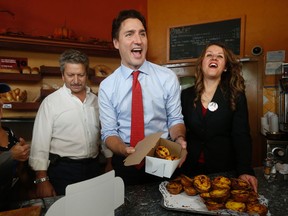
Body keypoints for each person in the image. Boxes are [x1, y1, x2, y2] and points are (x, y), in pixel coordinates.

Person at [98, 9, 187, 185]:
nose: (138, 40)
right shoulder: (107, 87)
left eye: (142, 34)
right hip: (125, 163)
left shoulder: (167, 77)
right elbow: (109, 133)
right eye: (129, 34)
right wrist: (123, 149)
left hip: (162, 159)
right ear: (116, 42)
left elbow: (175, 119)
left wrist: (179, 139)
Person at [180, 42, 258, 192]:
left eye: (219, 56)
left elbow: (241, 135)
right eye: (209, 55)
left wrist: (245, 170)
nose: (213, 58)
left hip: (223, 170)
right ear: (202, 63)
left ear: (226, 66)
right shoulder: (186, 95)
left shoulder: (235, 96)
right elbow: (180, 127)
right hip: (189, 169)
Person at [29, 49, 103, 198]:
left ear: (86, 75)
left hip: (94, 168)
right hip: (63, 171)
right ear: (63, 76)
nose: (76, 80)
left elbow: (104, 133)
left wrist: (108, 161)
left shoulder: (96, 101)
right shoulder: (51, 103)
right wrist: (42, 179)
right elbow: (39, 142)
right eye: (71, 75)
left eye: (80, 75)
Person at [0, 83, 31, 211]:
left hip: (14, 202)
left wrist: (22, 159)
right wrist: (11, 155)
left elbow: (19, 174)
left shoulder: (9, 132)